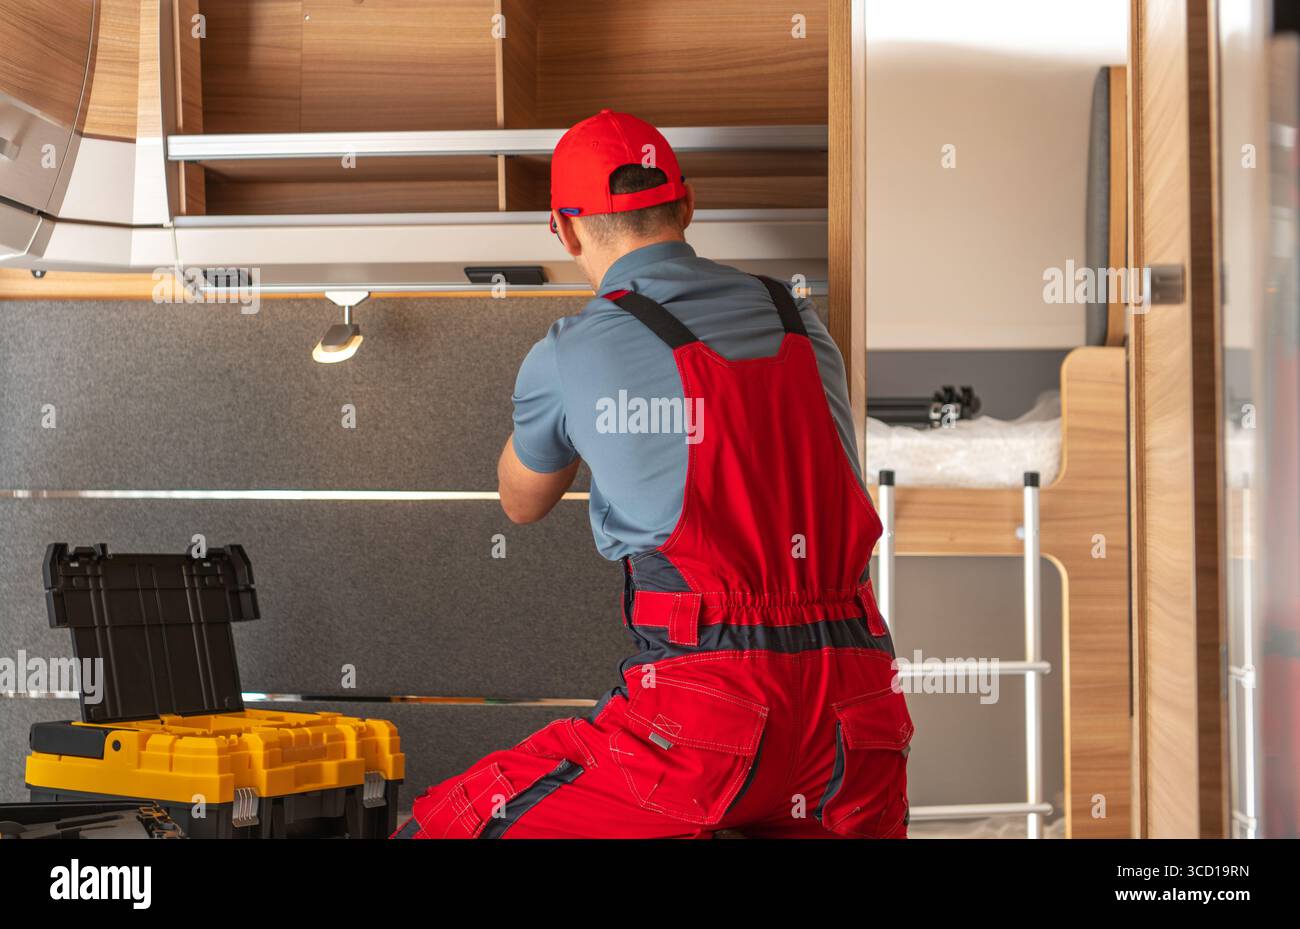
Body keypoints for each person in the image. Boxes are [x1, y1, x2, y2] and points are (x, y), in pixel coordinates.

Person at [392, 110, 912, 839]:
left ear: (565, 231)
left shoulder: (571, 349)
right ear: (688, 205)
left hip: (711, 716)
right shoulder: (799, 318)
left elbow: (522, 501)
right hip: (856, 715)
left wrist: (562, 416)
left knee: (450, 825)